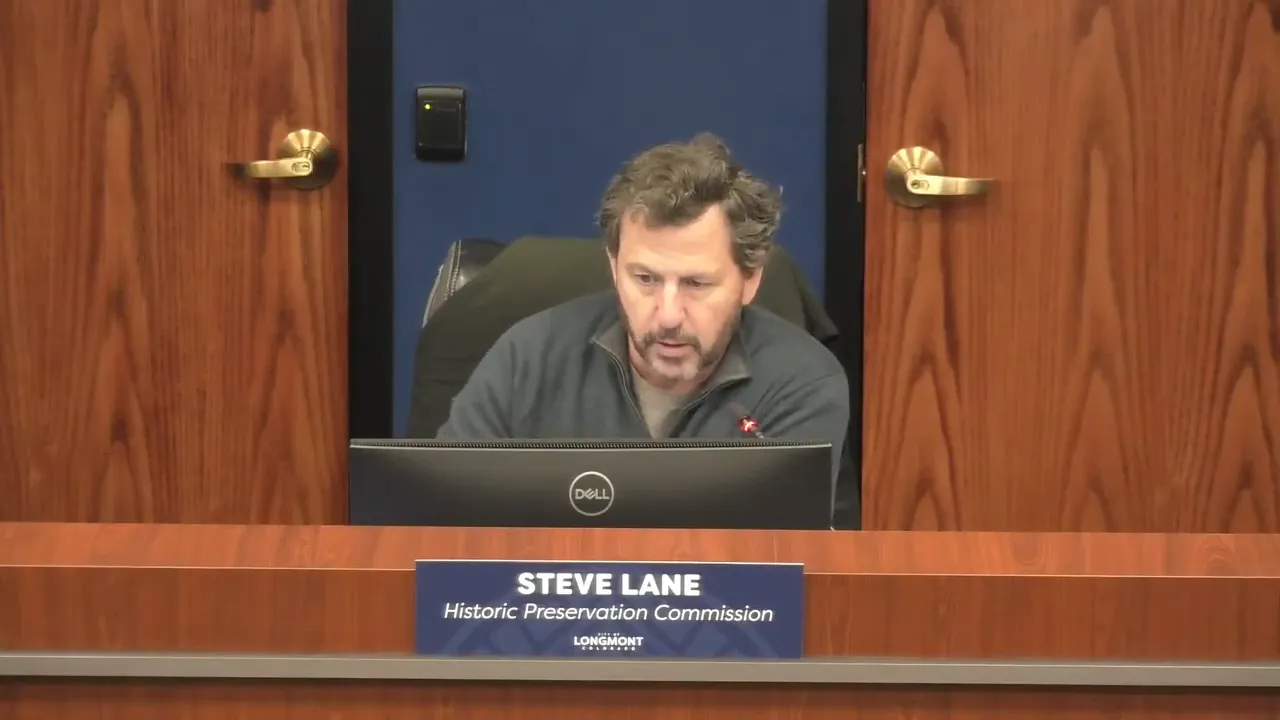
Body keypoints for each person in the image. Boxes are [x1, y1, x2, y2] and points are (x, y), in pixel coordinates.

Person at [437, 133, 849, 479]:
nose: (668, 315)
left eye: (696, 283)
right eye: (645, 279)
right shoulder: (527, 359)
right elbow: (443, 513)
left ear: (750, 279)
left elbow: (778, 557)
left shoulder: (800, 384)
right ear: (614, 267)